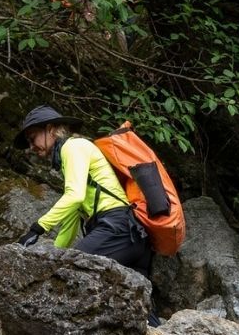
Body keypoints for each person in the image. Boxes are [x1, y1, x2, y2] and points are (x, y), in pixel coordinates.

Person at [15, 106, 154, 279]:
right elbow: (72, 219)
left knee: (70, 273)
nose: (31, 147)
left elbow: (74, 196)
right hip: (130, 236)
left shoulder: (73, 147)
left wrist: (37, 229)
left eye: (32, 138)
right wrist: (56, 255)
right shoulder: (72, 154)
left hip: (117, 229)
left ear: (50, 129)